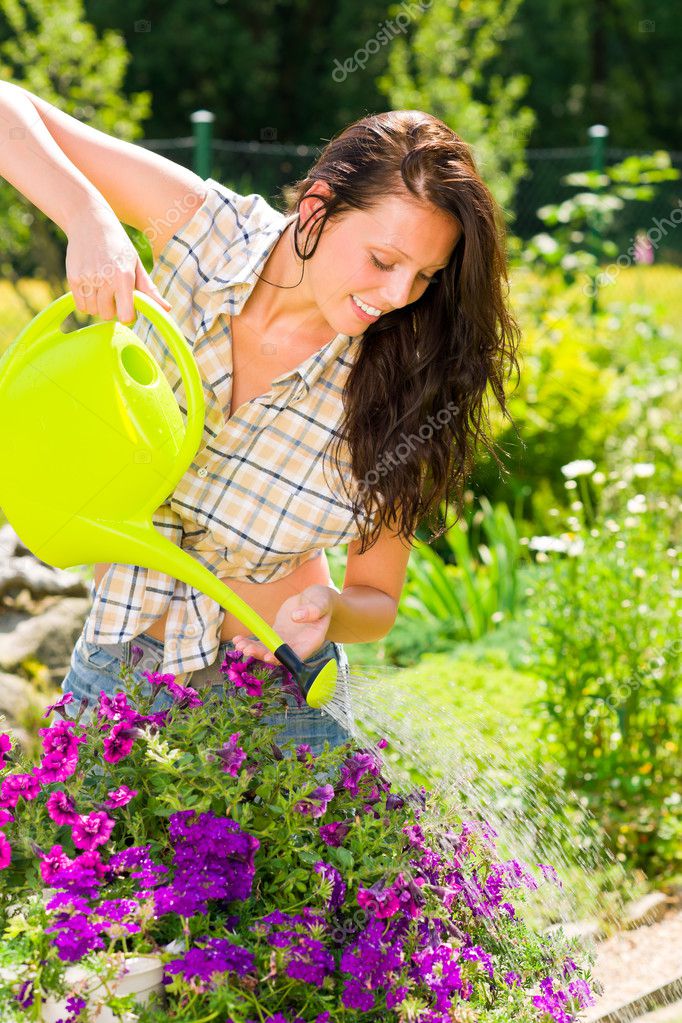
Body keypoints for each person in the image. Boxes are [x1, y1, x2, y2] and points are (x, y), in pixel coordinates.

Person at [0, 82, 521, 752]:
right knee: (74, 855)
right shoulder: (205, 233)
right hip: (118, 664)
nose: (397, 295)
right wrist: (87, 217)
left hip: (278, 702)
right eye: (384, 260)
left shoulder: (404, 382)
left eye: (424, 276)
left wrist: (331, 613)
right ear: (316, 208)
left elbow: (376, 599)